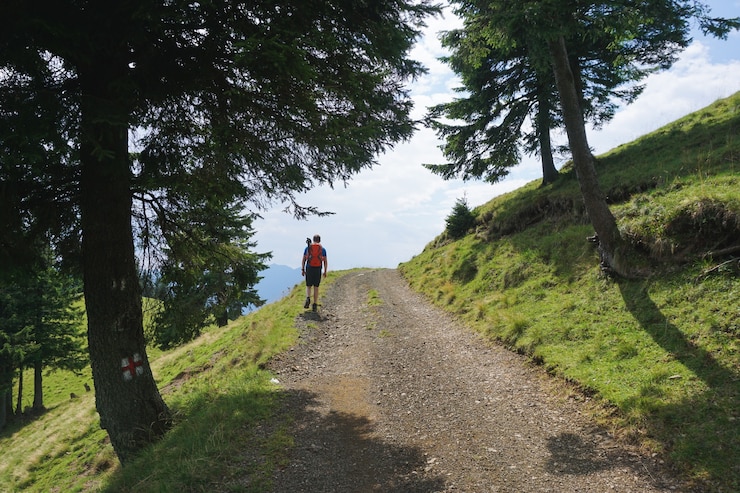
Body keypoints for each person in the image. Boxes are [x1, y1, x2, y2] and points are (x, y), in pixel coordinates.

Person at [301, 234, 327, 311]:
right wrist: (325, 271)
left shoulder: (308, 248)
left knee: (308, 286)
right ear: (320, 240)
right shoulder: (323, 249)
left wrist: (303, 269)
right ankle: (315, 304)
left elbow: (303, 260)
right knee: (316, 287)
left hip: (309, 268)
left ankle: (308, 298)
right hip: (318, 269)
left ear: (313, 240)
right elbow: (325, 261)